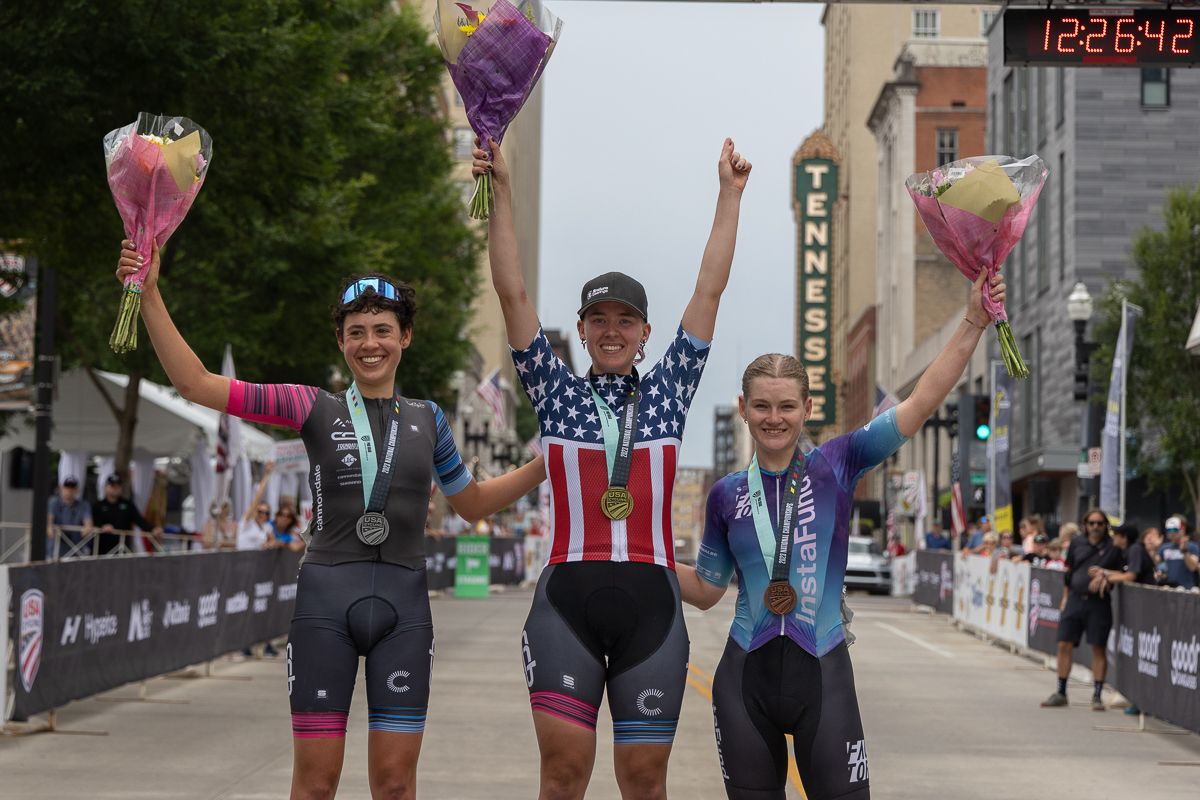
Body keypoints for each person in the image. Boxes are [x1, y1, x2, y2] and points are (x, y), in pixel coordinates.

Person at [116, 239, 545, 800]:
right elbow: (196, 385)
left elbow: (471, 503)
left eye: (383, 330)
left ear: (405, 337)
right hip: (324, 606)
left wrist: (545, 466)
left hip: (405, 609)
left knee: (394, 784)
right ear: (341, 342)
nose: (371, 344)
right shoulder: (310, 406)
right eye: (357, 333)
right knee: (315, 785)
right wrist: (148, 294)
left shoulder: (430, 419)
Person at [474, 134, 751, 799]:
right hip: (565, 603)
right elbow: (511, 294)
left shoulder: (670, 392)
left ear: (645, 332)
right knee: (563, 777)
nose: (611, 330)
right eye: (597, 318)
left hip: (651, 608)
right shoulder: (555, 391)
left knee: (644, 781)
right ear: (583, 326)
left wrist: (729, 197)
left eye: (625, 320)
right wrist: (503, 191)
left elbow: (708, 291)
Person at [675, 270, 1006, 800]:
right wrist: (641, 554)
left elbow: (919, 405)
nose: (774, 418)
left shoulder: (839, 462)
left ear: (807, 409)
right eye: (761, 406)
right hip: (742, 681)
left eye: (787, 406)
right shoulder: (726, 495)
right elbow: (709, 591)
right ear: (743, 410)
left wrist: (972, 322)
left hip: (824, 674)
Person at [1041, 510, 1125, 712]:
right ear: (1085, 524)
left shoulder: (1113, 547)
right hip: (1075, 599)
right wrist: (1065, 597)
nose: (1095, 527)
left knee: (1097, 647)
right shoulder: (1077, 543)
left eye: (1099, 523)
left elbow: (1124, 573)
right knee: (1063, 643)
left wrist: (1106, 576)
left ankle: (1097, 695)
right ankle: (1061, 692)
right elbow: (1069, 572)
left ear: (1105, 525)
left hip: (1099, 602)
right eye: (1091, 523)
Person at [92, 473, 162, 555]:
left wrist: (153, 529)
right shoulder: (98, 506)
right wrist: (102, 527)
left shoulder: (127, 505)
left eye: (118, 485)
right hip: (102, 549)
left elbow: (139, 520)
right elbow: (93, 523)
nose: (115, 488)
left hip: (122, 549)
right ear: (106, 487)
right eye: (112, 485)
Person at [47, 475, 93, 559]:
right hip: (55, 551)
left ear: (77, 490)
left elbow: (88, 522)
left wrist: (87, 527)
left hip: (76, 552)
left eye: (72, 488)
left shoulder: (83, 505)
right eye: (67, 487)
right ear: (61, 488)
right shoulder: (53, 502)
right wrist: (49, 527)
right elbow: (49, 520)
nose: (69, 490)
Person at [1155, 515, 1199, 589]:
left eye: (1174, 529)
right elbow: (1156, 564)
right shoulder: (1164, 547)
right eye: (1169, 530)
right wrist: (1154, 549)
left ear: (1183, 529)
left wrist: (1184, 552)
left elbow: (1193, 567)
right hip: (1168, 588)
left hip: (1187, 589)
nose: (1171, 533)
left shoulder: (1192, 546)